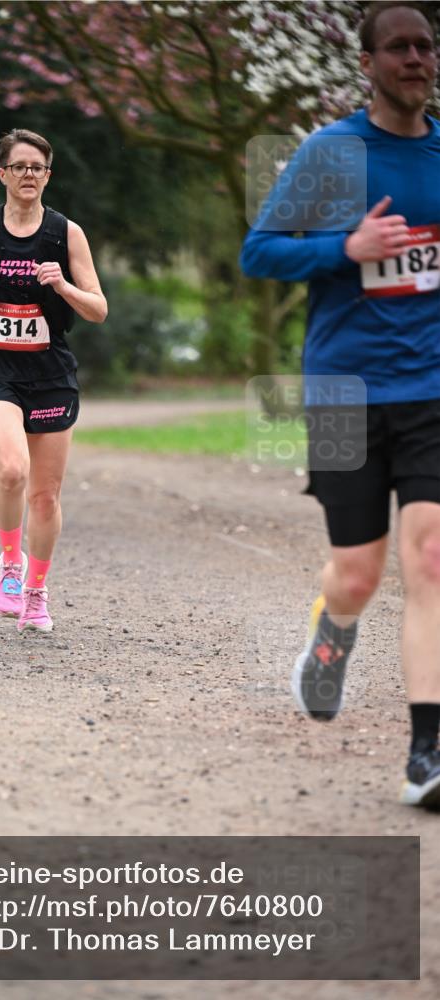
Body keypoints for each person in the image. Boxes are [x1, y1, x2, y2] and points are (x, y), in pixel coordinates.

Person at [241, 1, 440, 809]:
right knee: (356, 576)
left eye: (425, 46)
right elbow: (259, 252)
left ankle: (425, 753)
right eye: (397, 47)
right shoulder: (331, 155)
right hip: (342, 391)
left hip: (429, 388)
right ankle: (332, 634)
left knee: (428, 560)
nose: (415, 59)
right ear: (365, 63)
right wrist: (344, 250)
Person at [0, 128, 107, 632]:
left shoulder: (66, 233)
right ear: (3, 173)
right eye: (19, 166)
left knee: (46, 496)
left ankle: (36, 591)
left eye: (38, 167)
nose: (28, 174)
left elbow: (97, 309)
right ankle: (11, 568)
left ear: (48, 176)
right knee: (12, 470)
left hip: (50, 371)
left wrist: (63, 285)